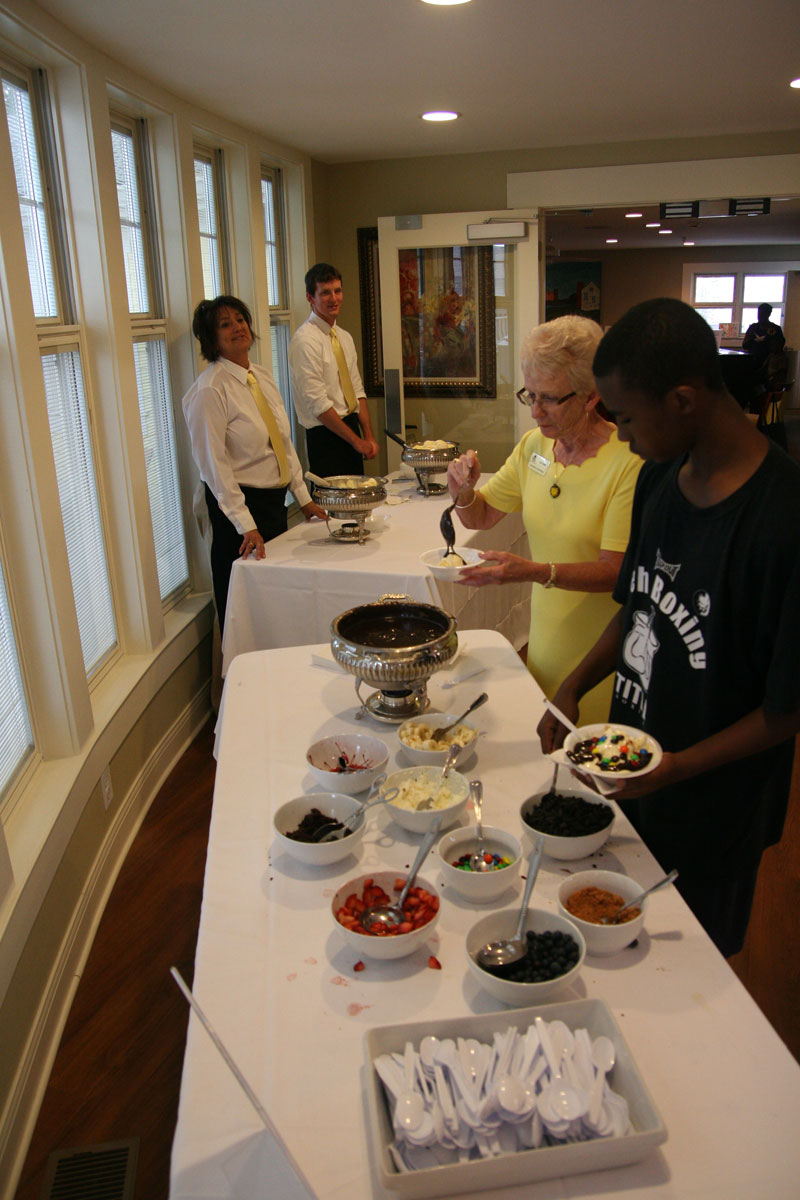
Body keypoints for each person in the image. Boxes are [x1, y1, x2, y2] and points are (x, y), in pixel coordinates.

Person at [538, 297, 800, 957]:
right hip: (635, 774)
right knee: (615, 958)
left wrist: (676, 767)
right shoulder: (660, 479)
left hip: (715, 811)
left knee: (692, 971)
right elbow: (639, 606)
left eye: (624, 417)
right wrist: (571, 685)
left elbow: (786, 707)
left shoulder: (783, 520)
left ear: (683, 400)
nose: (620, 436)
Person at [445, 315, 642, 724]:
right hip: (547, 645)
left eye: (549, 398)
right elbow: (479, 516)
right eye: (528, 394)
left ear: (590, 397)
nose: (535, 411)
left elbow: (615, 571)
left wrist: (534, 571)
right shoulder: (535, 447)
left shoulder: (627, 463)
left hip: (600, 657)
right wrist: (462, 490)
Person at [183, 295, 325, 632]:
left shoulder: (260, 376)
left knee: (276, 603)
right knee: (246, 612)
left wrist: (303, 499)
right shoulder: (209, 391)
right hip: (238, 515)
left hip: (274, 506)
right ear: (211, 339)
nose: (237, 328)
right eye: (224, 324)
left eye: (240, 319)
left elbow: (283, 443)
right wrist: (245, 523)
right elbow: (213, 467)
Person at [288, 263, 379, 477]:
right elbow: (318, 405)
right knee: (331, 505)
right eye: (325, 293)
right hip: (324, 434)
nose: (334, 298)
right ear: (311, 298)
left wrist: (367, 435)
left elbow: (357, 390)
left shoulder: (343, 337)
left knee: (355, 502)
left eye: (337, 291)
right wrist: (356, 441)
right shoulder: (305, 341)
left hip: (350, 426)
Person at [742, 302, 786, 383]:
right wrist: (750, 338)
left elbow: (779, 348)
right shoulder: (753, 327)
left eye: (763, 314)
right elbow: (744, 345)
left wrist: (770, 338)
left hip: (769, 365)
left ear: (769, 314)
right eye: (759, 314)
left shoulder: (775, 329)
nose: (760, 317)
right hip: (753, 363)